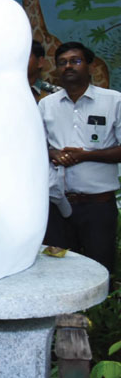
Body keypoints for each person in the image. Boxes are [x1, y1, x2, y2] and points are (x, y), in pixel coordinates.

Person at [40, 41, 121, 274]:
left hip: (97, 207)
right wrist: (53, 153)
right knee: (57, 271)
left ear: (89, 65)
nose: (68, 66)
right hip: (57, 206)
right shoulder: (46, 105)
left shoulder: (114, 101)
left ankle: (99, 312)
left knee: (100, 270)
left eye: (75, 61)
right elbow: (34, 147)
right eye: (62, 63)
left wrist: (86, 155)